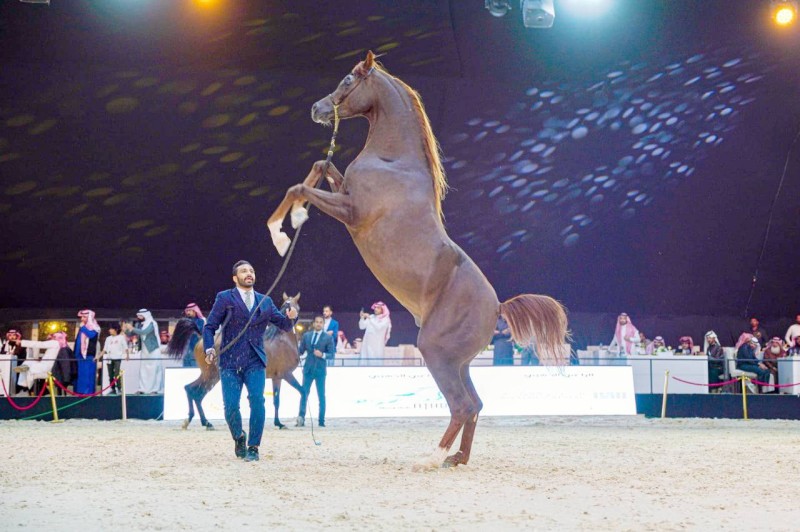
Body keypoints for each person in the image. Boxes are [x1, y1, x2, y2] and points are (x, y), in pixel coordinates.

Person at [203, 260, 297, 462]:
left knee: (257, 401)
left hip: (255, 361)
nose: (249, 273)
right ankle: (239, 437)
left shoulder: (266, 301)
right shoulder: (224, 298)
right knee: (230, 407)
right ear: (235, 278)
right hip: (229, 361)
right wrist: (209, 347)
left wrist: (292, 317)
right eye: (244, 271)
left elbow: (284, 325)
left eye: (252, 271)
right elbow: (209, 327)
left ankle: (254, 447)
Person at [296, 315, 336, 427]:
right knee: (304, 394)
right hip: (307, 370)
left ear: (323, 324)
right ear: (314, 323)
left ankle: (321, 421)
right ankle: (301, 419)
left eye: (320, 322)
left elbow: (332, 355)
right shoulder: (306, 336)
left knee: (321, 396)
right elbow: (300, 351)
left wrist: (322, 354)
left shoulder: (328, 338)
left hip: (320, 371)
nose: (318, 324)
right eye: (317, 322)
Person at [124, 309, 163, 394]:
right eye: (138, 316)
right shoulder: (139, 324)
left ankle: (155, 389)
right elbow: (130, 334)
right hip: (144, 351)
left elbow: (144, 332)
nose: (138, 317)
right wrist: (126, 329)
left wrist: (132, 328)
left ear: (145, 315)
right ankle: (142, 389)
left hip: (153, 350)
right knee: (143, 370)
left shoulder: (152, 323)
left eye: (140, 316)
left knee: (154, 370)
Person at [74, 309, 101, 394]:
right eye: (81, 317)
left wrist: (83, 328)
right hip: (80, 356)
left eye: (84, 317)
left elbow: (91, 335)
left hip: (88, 355)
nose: (82, 319)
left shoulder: (94, 327)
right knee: (81, 375)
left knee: (88, 375)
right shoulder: (83, 328)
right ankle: (80, 392)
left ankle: (88, 393)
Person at [98, 323, 126, 395]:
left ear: (116, 330)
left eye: (111, 329)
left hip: (117, 358)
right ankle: (112, 388)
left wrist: (127, 356)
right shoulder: (108, 338)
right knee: (110, 375)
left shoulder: (121, 337)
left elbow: (125, 347)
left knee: (117, 374)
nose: (109, 330)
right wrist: (98, 357)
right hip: (109, 359)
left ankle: (119, 389)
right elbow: (104, 350)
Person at [1, 329, 28, 394]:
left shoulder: (21, 346)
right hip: (6, 368)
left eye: (14, 335)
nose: (12, 337)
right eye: (10, 335)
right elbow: (2, 355)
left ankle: (16, 391)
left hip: (18, 366)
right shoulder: (5, 345)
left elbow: (22, 358)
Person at [183, 303, 206, 367]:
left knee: (195, 367)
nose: (188, 312)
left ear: (195, 311)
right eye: (187, 311)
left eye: (189, 310)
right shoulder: (185, 322)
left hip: (196, 347)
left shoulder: (201, 321)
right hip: (186, 349)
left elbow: (199, 331)